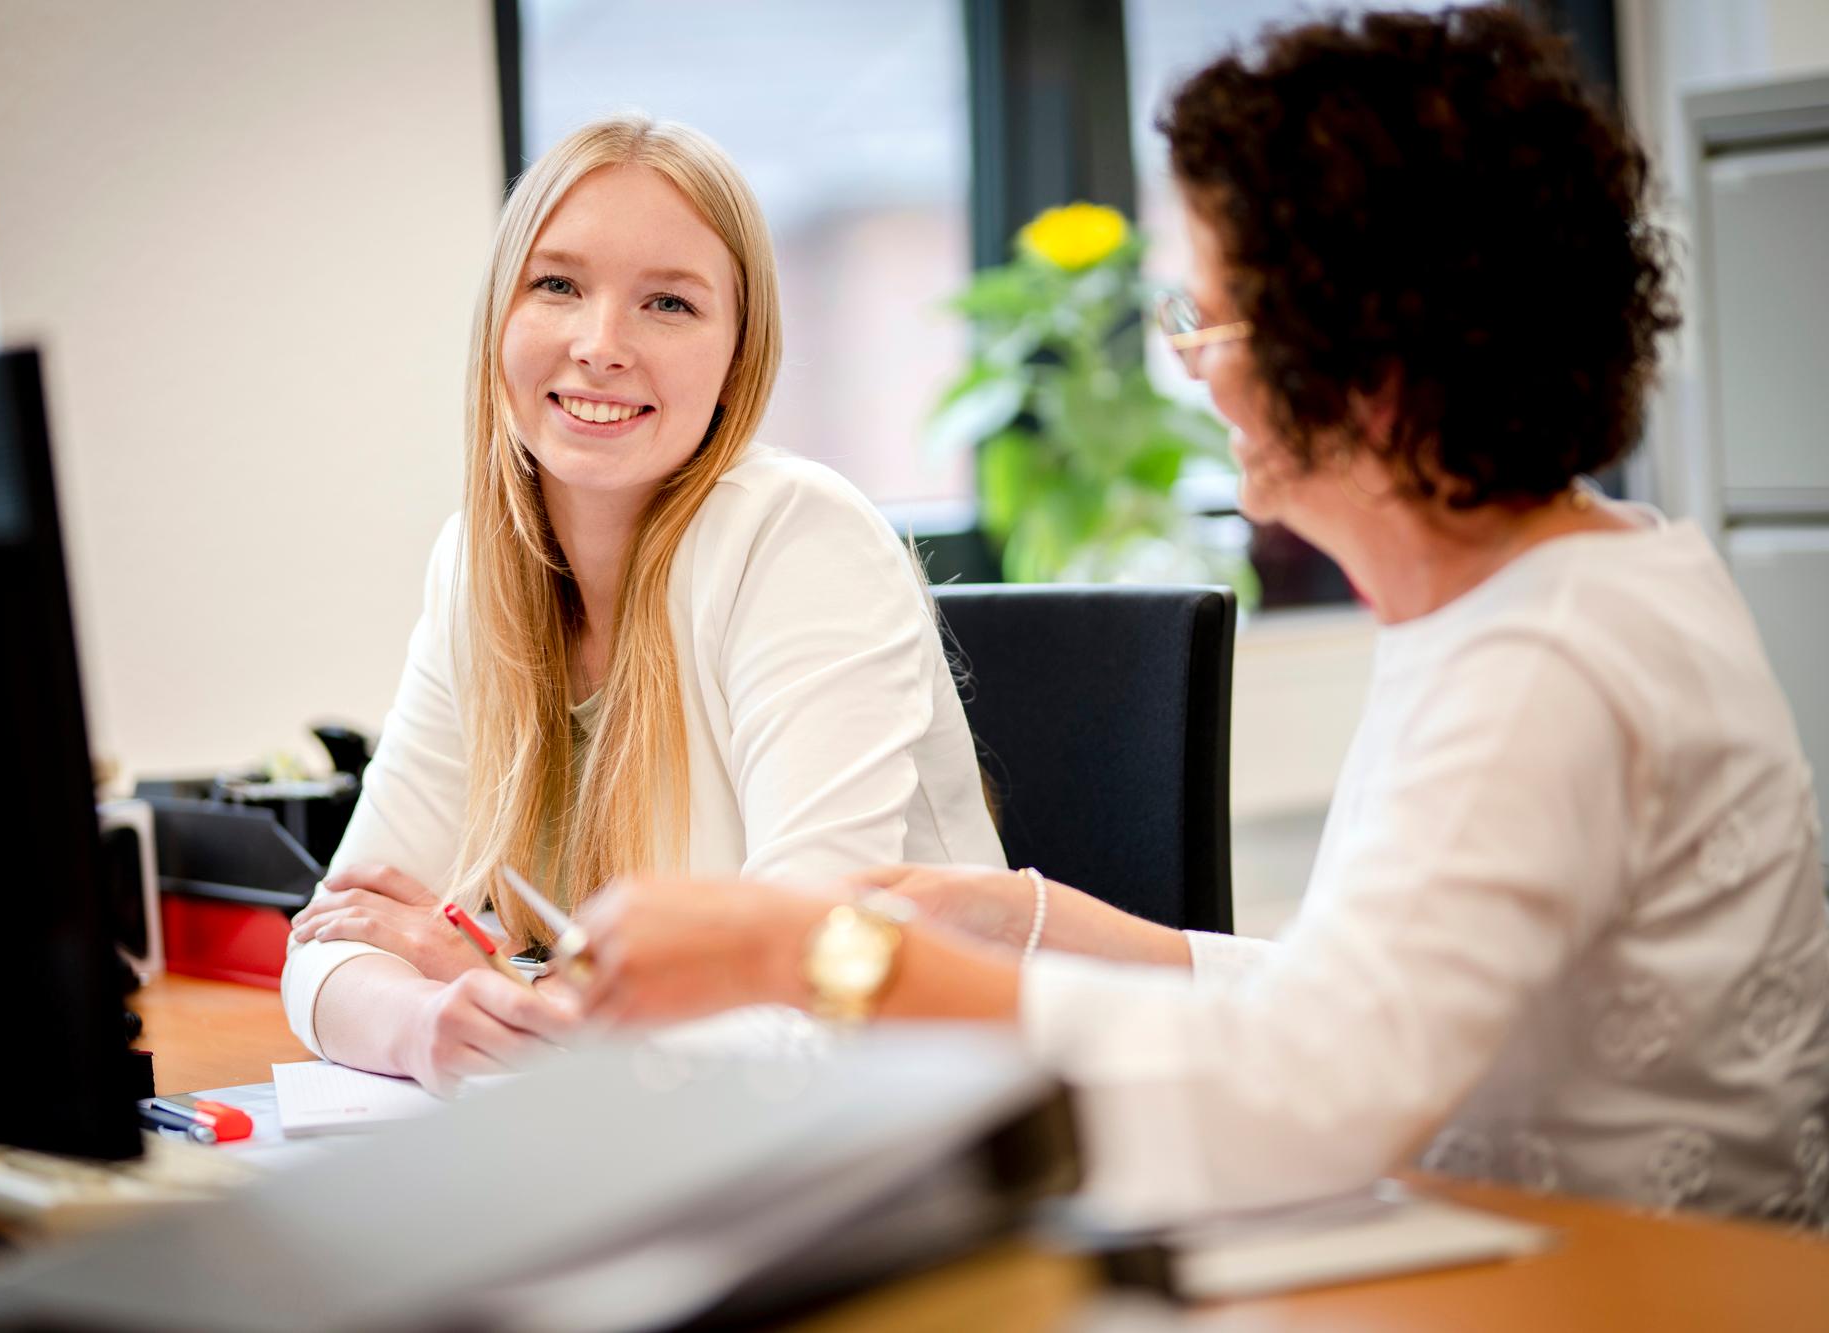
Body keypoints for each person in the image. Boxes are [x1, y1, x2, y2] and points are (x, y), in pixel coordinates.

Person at [573, 9, 1829, 1228]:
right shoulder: (1561, 582)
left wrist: (819, 955)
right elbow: (1364, 1005)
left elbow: (1299, 1096)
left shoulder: (1545, 658)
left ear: (1366, 365)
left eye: (1206, 318)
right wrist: (1033, 921)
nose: (1188, 364)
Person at [281, 115, 1004, 1091]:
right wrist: (426, 1020)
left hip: (906, 1123)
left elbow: (810, 999)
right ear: (500, 313)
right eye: (557, 285)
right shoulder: (478, 565)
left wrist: (508, 987)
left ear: (736, 354)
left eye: (666, 303)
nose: (599, 344)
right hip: (649, 1132)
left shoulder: (798, 539)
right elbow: (330, 942)